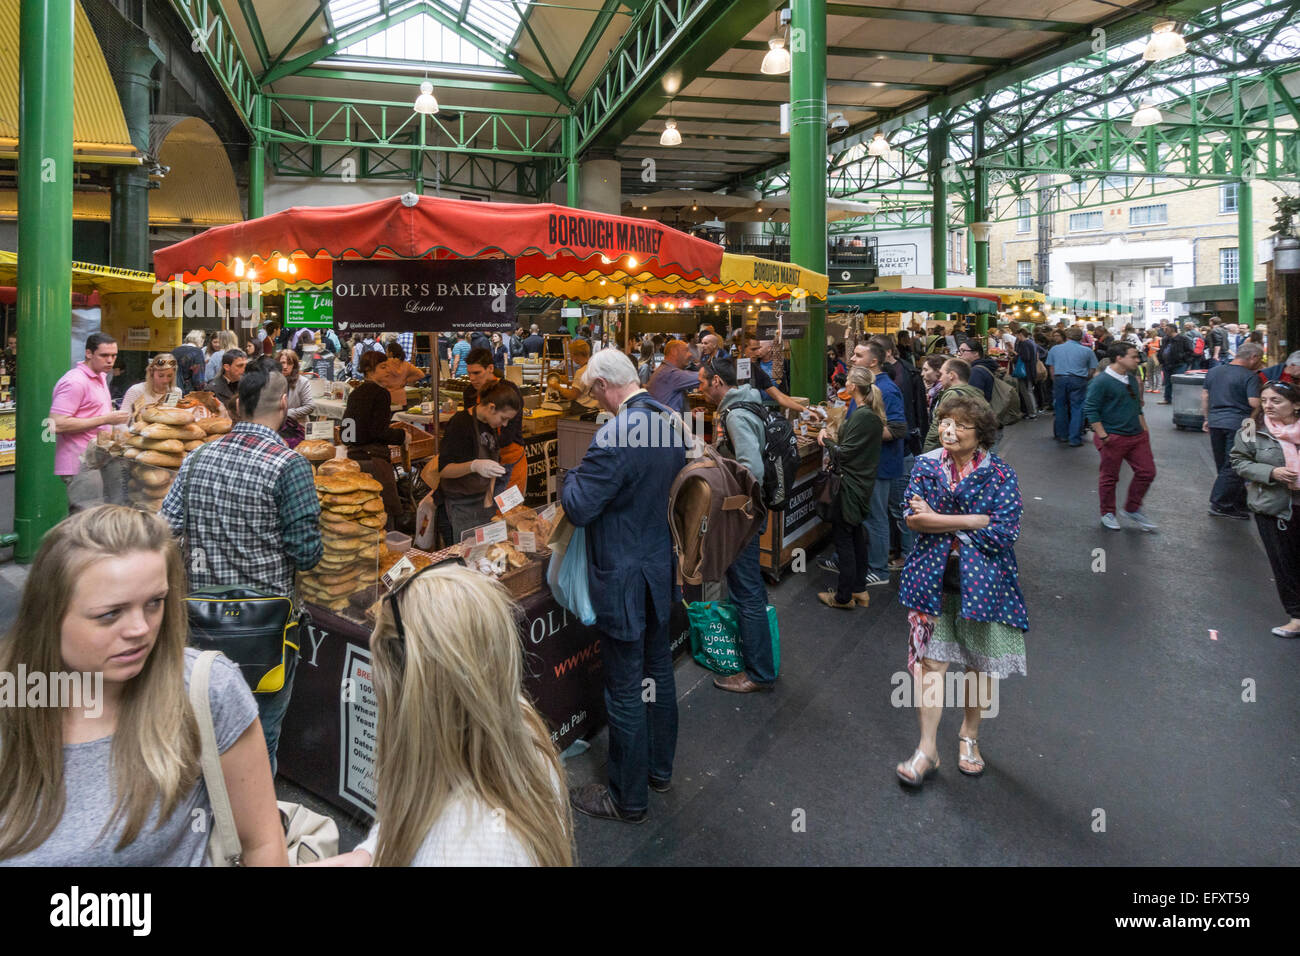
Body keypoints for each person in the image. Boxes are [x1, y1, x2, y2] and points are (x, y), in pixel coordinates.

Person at [0, 505, 286, 865]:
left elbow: (262, 843)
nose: (140, 629)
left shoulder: (205, 690)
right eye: (110, 614)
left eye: (155, 603)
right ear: (48, 617)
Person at [315, 566, 574, 866]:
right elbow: (421, 804)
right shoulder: (517, 724)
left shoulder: (458, 854)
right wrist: (368, 854)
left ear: (411, 696)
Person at [162, 358, 323, 773]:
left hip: (199, 621)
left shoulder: (198, 458)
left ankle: (201, 823)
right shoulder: (291, 466)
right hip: (264, 632)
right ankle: (252, 831)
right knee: (257, 737)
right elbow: (306, 554)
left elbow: (167, 526)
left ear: (237, 405)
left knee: (201, 728)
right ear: (284, 403)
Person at [562, 348, 687, 823]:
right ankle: (659, 771)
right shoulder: (668, 420)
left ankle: (626, 798)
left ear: (601, 386)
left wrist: (571, 473)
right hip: (658, 567)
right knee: (659, 672)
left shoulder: (615, 434)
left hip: (623, 575)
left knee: (625, 689)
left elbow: (578, 508)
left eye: (591, 390)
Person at [895, 395, 1028, 787]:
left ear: (981, 433)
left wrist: (937, 519)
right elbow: (912, 520)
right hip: (931, 579)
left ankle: (969, 736)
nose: (948, 430)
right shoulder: (925, 465)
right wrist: (971, 519)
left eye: (959, 424)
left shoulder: (1001, 474)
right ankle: (926, 749)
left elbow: (1004, 532)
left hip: (984, 583)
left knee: (978, 666)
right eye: (944, 422)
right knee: (931, 665)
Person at [697, 355, 778, 693]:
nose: (700, 387)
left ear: (718, 383)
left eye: (703, 381)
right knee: (749, 591)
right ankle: (754, 660)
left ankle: (758, 673)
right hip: (749, 516)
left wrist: (735, 509)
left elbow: (751, 469)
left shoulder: (735, 415)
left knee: (747, 594)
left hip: (742, 519)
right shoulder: (747, 405)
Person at [1230, 380, 1300, 638]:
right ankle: (1296, 617)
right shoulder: (1251, 428)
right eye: (1265, 400)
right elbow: (1238, 462)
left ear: (1295, 405)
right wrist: (1271, 472)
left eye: (1276, 401)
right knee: (1286, 564)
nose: (1268, 405)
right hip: (1275, 508)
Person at [817, 366, 885, 610]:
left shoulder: (863, 416)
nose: (845, 383)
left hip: (850, 486)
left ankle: (844, 596)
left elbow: (844, 454)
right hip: (861, 483)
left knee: (844, 539)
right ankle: (859, 589)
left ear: (854, 386)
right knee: (855, 536)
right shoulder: (867, 413)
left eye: (848, 381)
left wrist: (825, 438)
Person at [1083, 342, 1158, 531]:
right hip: (1113, 436)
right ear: (1119, 358)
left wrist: (1144, 430)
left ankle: (1132, 508)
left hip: (1136, 435)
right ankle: (1108, 512)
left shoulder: (1131, 379)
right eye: (1133, 356)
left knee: (1147, 471)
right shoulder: (1101, 382)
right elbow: (1091, 408)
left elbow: (1137, 407)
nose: (1138, 360)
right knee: (1110, 477)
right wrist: (1103, 435)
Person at [50, 333, 129, 506]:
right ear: (88, 353)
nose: (110, 360)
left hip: (100, 457)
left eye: (114, 355)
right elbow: (55, 424)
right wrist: (105, 419)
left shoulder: (100, 376)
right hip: (80, 461)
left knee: (106, 516)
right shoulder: (75, 381)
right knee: (87, 519)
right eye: (104, 355)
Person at [439, 380, 522, 540]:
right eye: (503, 418)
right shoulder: (460, 424)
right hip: (461, 504)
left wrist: (489, 498)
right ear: (491, 407)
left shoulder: (489, 423)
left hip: (482, 502)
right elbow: (444, 470)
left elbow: (494, 461)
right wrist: (474, 466)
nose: (504, 424)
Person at [1202, 342, 1265, 519]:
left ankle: (1236, 500)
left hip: (1216, 421)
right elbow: (1254, 402)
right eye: (1259, 359)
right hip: (1244, 423)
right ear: (1253, 357)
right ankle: (1221, 503)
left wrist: (1206, 418)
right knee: (1238, 463)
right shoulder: (1251, 376)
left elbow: (1205, 396)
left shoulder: (1214, 371)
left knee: (1223, 463)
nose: (1260, 363)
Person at [343, 351, 408, 522]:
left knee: (363, 515)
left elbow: (346, 432)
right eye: (383, 367)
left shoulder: (355, 393)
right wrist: (402, 435)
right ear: (369, 370)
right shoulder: (381, 394)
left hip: (353, 459)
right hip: (375, 462)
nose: (388, 370)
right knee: (382, 515)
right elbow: (380, 431)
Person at [463, 348, 526, 497]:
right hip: (482, 461)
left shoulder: (509, 390)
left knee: (509, 513)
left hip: (510, 458)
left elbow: (508, 433)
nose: (472, 378)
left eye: (477, 373)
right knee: (487, 514)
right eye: (469, 373)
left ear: (490, 368)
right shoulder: (469, 393)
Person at [1046, 326, 1099, 445]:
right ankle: (1074, 438)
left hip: (1060, 378)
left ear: (1067, 336)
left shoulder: (1055, 349)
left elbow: (1051, 368)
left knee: (1060, 407)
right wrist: (1086, 377)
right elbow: (1092, 369)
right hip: (1078, 379)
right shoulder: (1087, 351)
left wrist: (1055, 379)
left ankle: (1062, 435)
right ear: (1081, 337)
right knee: (1078, 408)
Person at [922, 359, 989, 452]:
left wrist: (927, 453)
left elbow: (937, 429)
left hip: (952, 451)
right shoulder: (975, 393)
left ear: (951, 375)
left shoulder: (953, 395)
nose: (939, 379)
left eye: (941, 374)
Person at [121, 353, 183, 424]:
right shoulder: (136, 391)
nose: (165, 380)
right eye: (161, 376)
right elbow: (122, 422)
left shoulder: (176, 392)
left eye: (169, 376)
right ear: (152, 373)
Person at [647, 339, 701, 417]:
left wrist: (687, 413)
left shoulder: (664, 371)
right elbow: (703, 377)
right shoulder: (670, 374)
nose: (690, 354)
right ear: (674, 351)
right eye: (686, 351)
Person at [276, 349, 315, 448]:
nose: (285, 367)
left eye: (289, 363)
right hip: (277, 428)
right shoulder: (273, 381)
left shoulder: (303, 382)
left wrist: (289, 413)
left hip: (298, 429)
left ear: (294, 365)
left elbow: (310, 406)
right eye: (282, 363)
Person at [552, 339, 601, 416]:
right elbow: (587, 386)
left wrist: (558, 387)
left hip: (583, 410)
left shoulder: (581, 372)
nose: (571, 357)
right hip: (596, 409)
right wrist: (569, 383)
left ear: (577, 355)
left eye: (572, 354)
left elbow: (573, 395)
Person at [374, 340, 424, 408]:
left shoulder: (385, 364)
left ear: (391, 353)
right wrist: (406, 380)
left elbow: (376, 378)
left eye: (386, 351)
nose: (385, 353)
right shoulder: (406, 364)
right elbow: (421, 374)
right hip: (401, 398)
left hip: (387, 397)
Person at [954, 338, 996, 403]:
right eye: (959, 351)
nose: (959, 354)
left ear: (976, 353)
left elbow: (973, 399)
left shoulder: (976, 371)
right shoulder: (986, 364)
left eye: (963, 350)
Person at [209, 349, 248, 417]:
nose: (245, 369)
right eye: (240, 366)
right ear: (227, 367)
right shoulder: (212, 390)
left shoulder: (247, 384)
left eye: (246, 365)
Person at [1012, 328, 1039, 420]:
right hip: (1031, 370)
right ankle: (1033, 410)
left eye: (1017, 335)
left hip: (1025, 371)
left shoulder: (1024, 344)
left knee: (1026, 392)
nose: (1017, 338)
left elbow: (1025, 357)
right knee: (1030, 391)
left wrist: (1015, 354)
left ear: (1021, 335)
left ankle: (1031, 412)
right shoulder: (1032, 342)